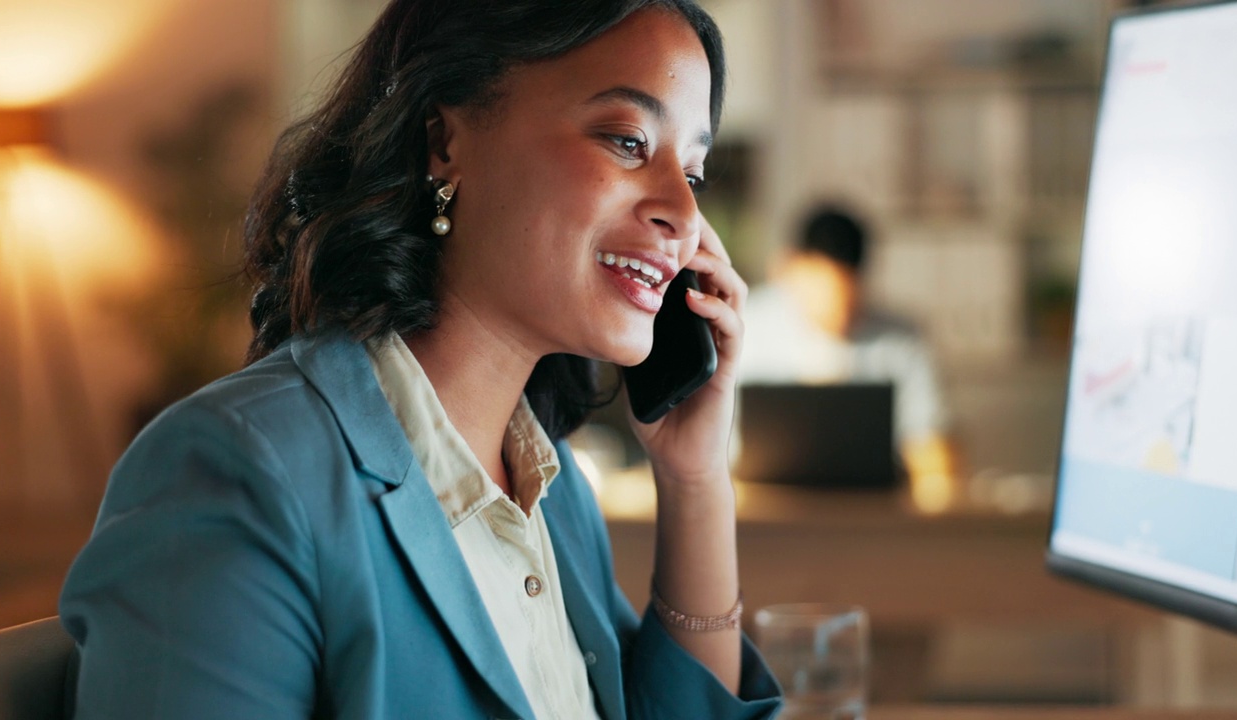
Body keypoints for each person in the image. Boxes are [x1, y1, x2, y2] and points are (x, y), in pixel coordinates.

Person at [58, 2, 782, 718]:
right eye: (628, 141)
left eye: (694, 175)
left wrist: (695, 482)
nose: (685, 219)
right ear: (444, 142)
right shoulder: (232, 474)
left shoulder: (552, 497)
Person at [740, 206, 958, 490]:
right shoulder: (745, 325)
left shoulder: (900, 341)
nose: (839, 316)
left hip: (869, 517)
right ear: (788, 267)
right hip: (764, 512)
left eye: (848, 301)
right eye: (824, 292)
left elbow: (933, 454)